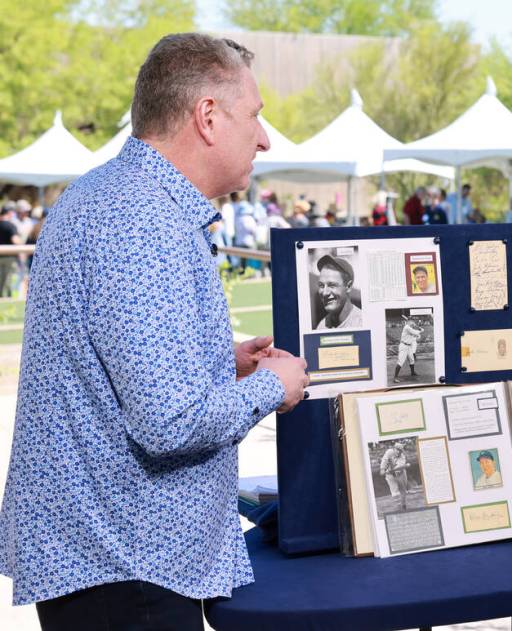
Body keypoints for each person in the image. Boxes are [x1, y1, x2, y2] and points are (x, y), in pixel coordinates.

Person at [0, 33, 309, 629]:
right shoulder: (141, 220)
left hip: (114, 557)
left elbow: (116, 361)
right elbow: (169, 424)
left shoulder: (116, 198)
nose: (265, 138)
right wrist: (276, 386)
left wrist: (223, 362)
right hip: (126, 565)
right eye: (256, 117)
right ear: (209, 117)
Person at [314, 254, 361, 329]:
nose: (325, 293)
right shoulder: (321, 326)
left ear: (348, 286)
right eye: (321, 285)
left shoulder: (362, 323)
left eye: (332, 285)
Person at [379, 442, 410, 510]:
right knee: (394, 491)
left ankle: (403, 505)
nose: (399, 452)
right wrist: (382, 469)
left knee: (403, 491)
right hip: (390, 475)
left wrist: (391, 470)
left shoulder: (402, 457)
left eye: (401, 451)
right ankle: (399, 508)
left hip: (401, 473)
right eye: (398, 450)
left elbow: (398, 468)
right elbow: (384, 460)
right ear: (394, 448)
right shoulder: (389, 452)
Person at [392, 317, 423, 383]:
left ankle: (412, 372)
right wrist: (421, 330)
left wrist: (418, 330)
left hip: (409, 347)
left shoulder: (410, 328)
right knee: (401, 362)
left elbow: (416, 336)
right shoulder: (407, 327)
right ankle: (395, 378)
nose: (413, 322)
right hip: (403, 346)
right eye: (412, 321)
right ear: (409, 321)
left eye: (414, 321)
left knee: (412, 359)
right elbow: (415, 333)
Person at [0, 203, 21, 297]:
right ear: (9, 213)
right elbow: (15, 240)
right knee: (8, 281)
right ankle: (7, 298)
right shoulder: (10, 226)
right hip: (9, 257)